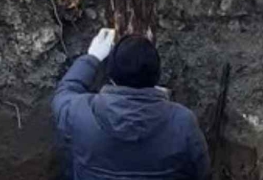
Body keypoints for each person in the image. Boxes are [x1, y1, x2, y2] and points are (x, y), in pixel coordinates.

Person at [52, 29, 209, 180]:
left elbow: (65, 91)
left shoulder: (80, 113)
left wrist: (92, 57)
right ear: (156, 76)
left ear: (111, 76)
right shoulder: (182, 122)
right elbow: (200, 171)